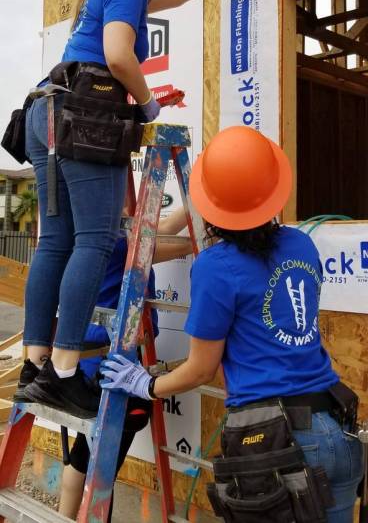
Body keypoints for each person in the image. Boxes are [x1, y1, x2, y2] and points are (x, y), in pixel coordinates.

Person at [17, 0, 258, 417]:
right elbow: (118, 55)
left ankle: (36, 365)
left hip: (47, 111)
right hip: (83, 116)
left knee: (55, 241)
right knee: (97, 239)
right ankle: (62, 370)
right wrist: (147, 105)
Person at [100, 126, 363, 523]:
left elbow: (201, 369)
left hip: (280, 446)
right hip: (336, 428)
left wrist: (147, 384)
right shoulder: (301, 244)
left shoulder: (215, 268)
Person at [57, 207, 191, 521]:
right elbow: (156, 241)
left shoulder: (91, 234)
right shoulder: (116, 238)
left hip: (92, 353)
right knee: (97, 462)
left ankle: (65, 516)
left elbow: (160, 232)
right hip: (117, 358)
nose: (129, 208)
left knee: (85, 454)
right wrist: (203, 240)